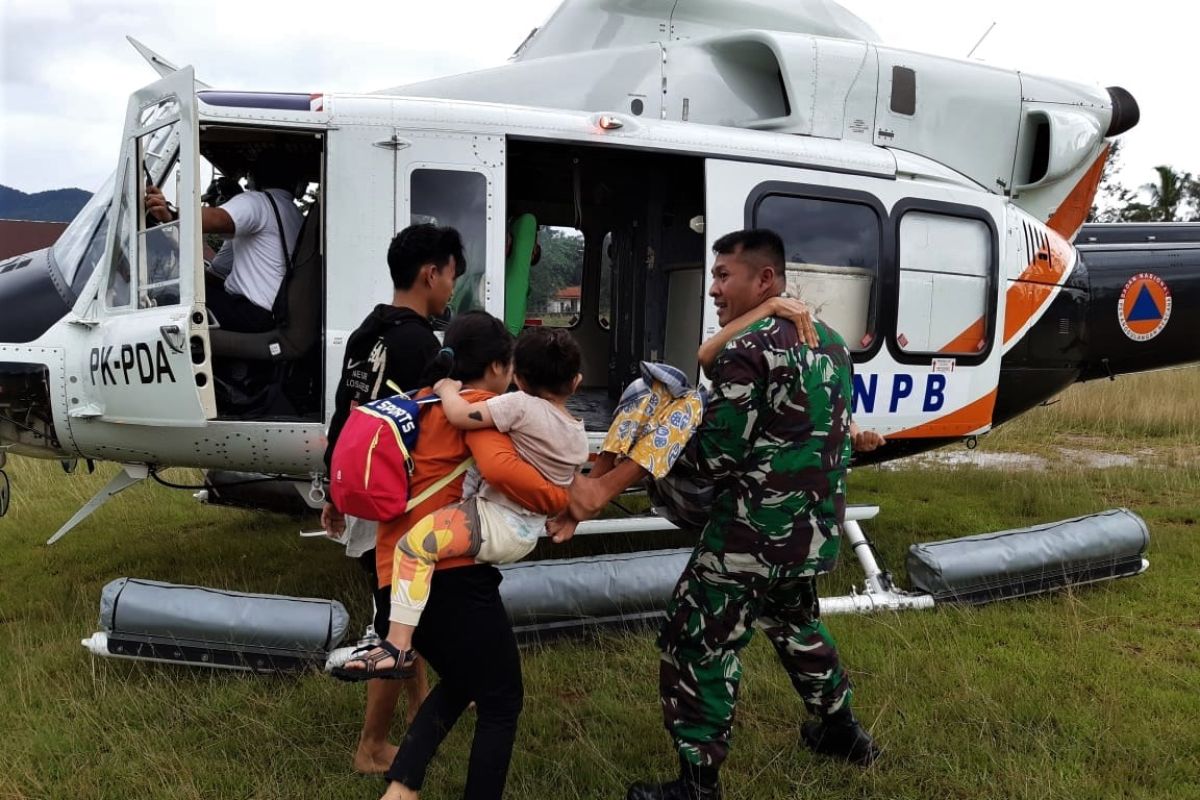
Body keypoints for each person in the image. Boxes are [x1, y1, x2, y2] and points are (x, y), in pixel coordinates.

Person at [564, 229, 882, 800]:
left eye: (723, 275)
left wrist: (661, 432)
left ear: (765, 279)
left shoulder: (746, 348)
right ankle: (843, 733)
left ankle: (697, 784)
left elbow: (716, 455)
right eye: (713, 276)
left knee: (698, 641)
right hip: (812, 531)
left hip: (750, 536)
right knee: (796, 626)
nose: (713, 288)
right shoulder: (832, 342)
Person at [343, 311, 570, 800]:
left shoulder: (418, 402)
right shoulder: (476, 406)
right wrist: (561, 499)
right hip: (450, 572)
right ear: (495, 366)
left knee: (465, 679)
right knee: (502, 699)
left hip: (396, 576)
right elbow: (499, 467)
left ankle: (401, 790)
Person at [333, 326, 589, 680]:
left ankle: (395, 652)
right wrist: (561, 503)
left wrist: (444, 388)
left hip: (403, 551)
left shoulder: (431, 400)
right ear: (576, 382)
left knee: (415, 556)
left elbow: (491, 461)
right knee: (480, 683)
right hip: (493, 543)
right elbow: (531, 472)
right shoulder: (574, 430)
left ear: (519, 375)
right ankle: (397, 657)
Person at [321, 223, 466, 774]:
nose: (451, 287)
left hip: (360, 490)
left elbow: (344, 412)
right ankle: (372, 747)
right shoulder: (421, 344)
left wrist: (333, 491)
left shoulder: (368, 331)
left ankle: (418, 709)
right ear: (431, 273)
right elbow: (434, 430)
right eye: (451, 275)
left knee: (407, 611)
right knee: (394, 627)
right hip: (399, 503)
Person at [145, 151, 304, 333]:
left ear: (254, 178)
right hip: (273, 314)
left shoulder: (257, 202)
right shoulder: (294, 214)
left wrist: (170, 213)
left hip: (252, 313)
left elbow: (217, 219)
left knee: (168, 297)